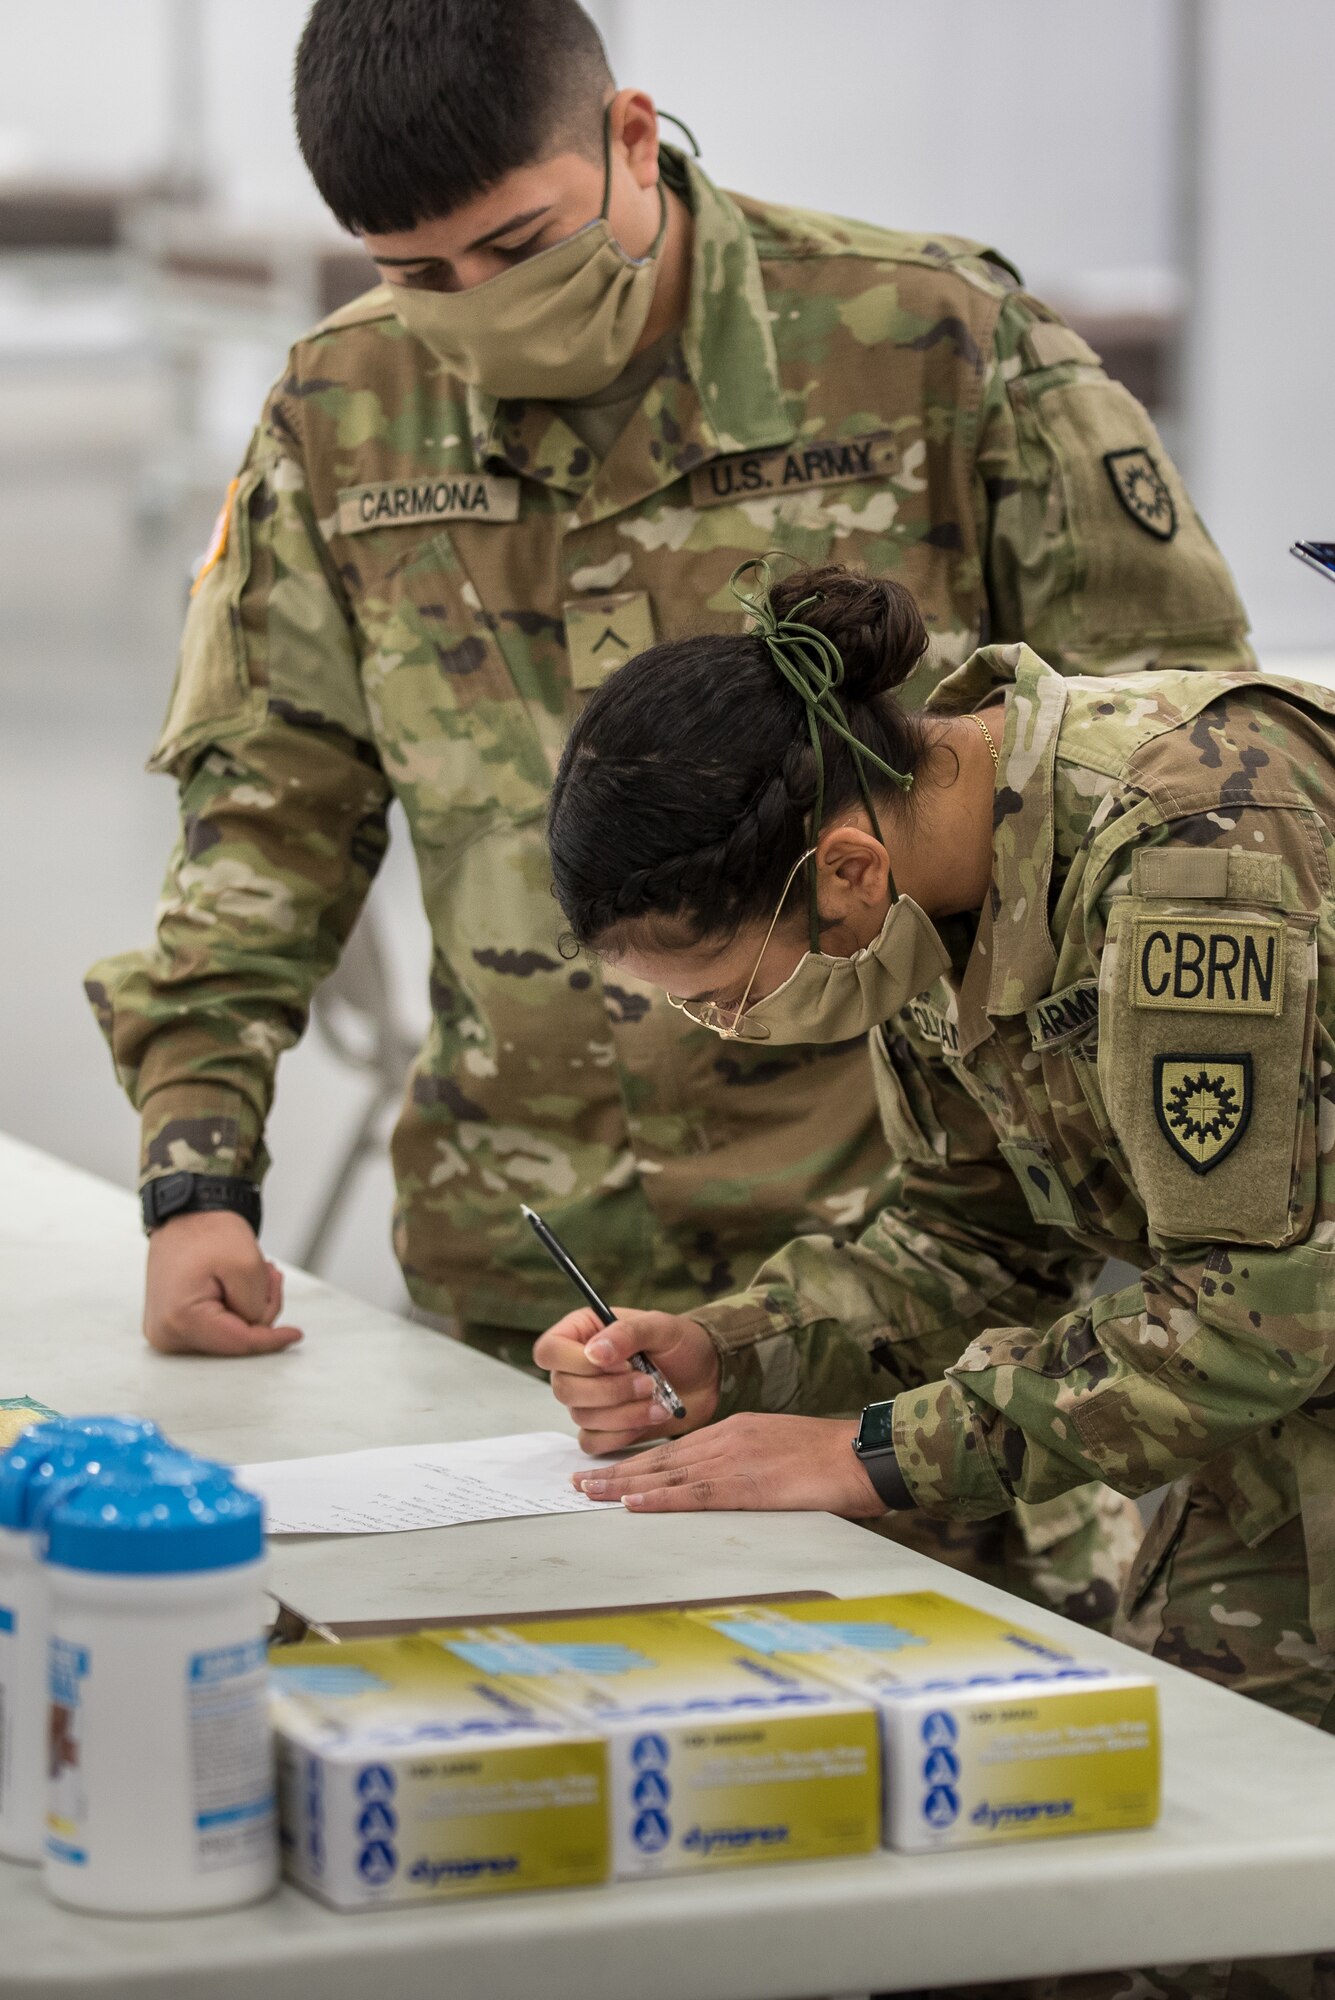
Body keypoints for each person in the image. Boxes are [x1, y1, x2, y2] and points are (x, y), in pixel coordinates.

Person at [86, 0, 1245, 1619]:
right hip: (532, 1275)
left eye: (518, 244)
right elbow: (267, 814)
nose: (472, 309)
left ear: (633, 139)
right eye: (414, 274)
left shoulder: (935, 344)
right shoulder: (341, 413)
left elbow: (1172, 776)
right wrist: (196, 1171)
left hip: (912, 1268)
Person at [538, 555, 1335, 1754]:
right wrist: (729, 1353)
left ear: (843, 871)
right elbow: (970, 1234)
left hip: (1280, 1339)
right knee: (1207, 1804)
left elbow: (1259, 1315)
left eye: (727, 993)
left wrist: (872, 1454)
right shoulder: (926, 889)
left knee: (1234, 1831)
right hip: (1286, 1375)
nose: (733, 1029)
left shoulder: (1185, 858)